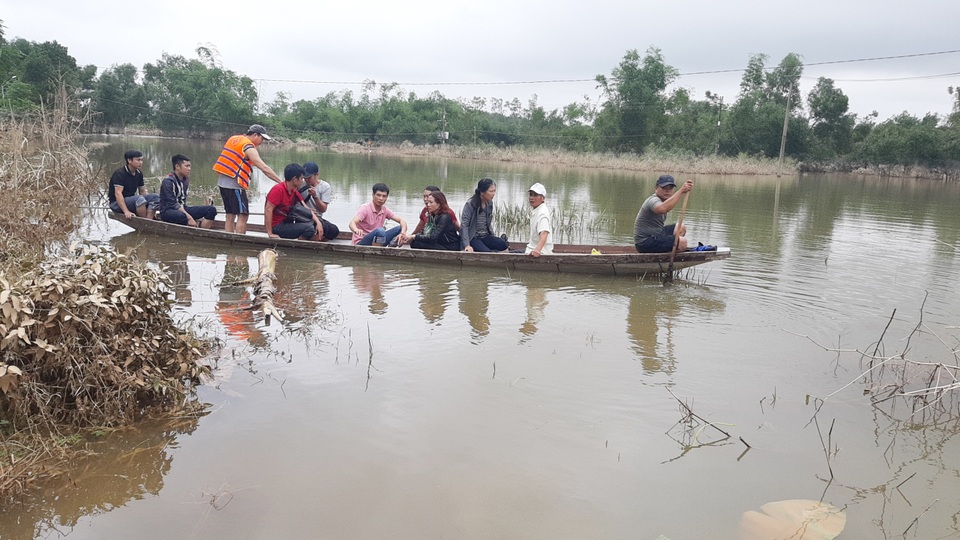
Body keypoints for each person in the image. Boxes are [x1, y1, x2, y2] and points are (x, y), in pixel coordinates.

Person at [213, 124, 283, 234]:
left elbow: (236, 159)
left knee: (230, 214)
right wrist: (280, 181)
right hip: (234, 184)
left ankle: (229, 239)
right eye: (262, 138)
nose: (262, 142)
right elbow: (264, 168)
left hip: (222, 182)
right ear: (255, 135)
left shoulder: (234, 139)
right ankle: (239, 240)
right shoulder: (248, 147)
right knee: (243, 214)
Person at [634, 175, 693, 253]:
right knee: (682, 242)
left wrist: (681, 192)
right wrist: (681, 191)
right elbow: (662, 209)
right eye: (664, 188)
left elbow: (667, 205)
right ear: (656, 188)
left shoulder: (664, 201)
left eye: (670, 188)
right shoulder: (652, 200)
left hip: (657, 234)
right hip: (645, 242)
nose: (667, 191)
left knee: (681, 228)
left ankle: (669, 251)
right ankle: (669, 255)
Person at [264, 163, 322, 241]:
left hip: (286, 222)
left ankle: (298, 242)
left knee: (312, 225)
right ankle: (298, 246)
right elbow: (268, 210)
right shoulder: (278, 190)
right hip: (277, 226)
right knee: (309, 228)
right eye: (301, 178)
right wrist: (270, 233)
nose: (303, 181)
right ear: (295, 179)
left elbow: (306, 208)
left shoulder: (293, 190)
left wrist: (318, 222)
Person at [158, 154, 217, 228]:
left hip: (183, 208)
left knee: (211, 210)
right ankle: (191, 227)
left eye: (189, 166)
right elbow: (173, 204)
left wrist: (189, 215)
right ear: (177, 167)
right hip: (168, 211)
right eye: (187, 166)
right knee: (182, 216)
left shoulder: (185, 180)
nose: (189, 169)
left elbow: (183, 200)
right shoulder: (168, 181)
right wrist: (189, 217)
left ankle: (201, 232)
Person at [108, 149, 159, 219]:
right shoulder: (120, 174)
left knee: (155, 197)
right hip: (116, 203)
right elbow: (118, 194)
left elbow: (142, 191)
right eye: (138, 160)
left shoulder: (138, 173)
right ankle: (145, 222)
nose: (141, 162)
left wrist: (147, 204)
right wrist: (126, 211)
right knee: (139, 199)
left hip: (131, 201)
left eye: (141, 160)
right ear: (129, 160)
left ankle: (149, 218)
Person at [460, 178, 508, 252]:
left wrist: (493, 236)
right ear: (482, 192)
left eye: (494, 191)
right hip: (473, 238)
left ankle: (499, 242)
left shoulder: (489, 203)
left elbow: (488, 223)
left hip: (485, 236)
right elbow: (464, 225)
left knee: (503, 244)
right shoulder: (470, 204)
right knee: (487, 253)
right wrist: (467, 245)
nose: (493, 194)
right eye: (491, 191)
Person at [298, 161, 340, 241]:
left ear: (317, 175)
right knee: (315, 228)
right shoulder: (300, 184)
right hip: (303, 217)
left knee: (333, 230)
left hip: (318, 217)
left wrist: (315, 197)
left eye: (309, 177)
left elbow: (323, 209)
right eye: (305, 177)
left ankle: (316, 241)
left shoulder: (325, 186)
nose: (306, 180)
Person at [524, 182, 554, 257]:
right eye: (531, 194)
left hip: (541, 253)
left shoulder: (542, 213)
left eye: (535, 195)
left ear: (542, 198)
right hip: (531, 249)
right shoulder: (537, 210)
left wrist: (537, 250)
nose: (531, 198)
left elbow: (544, 233)